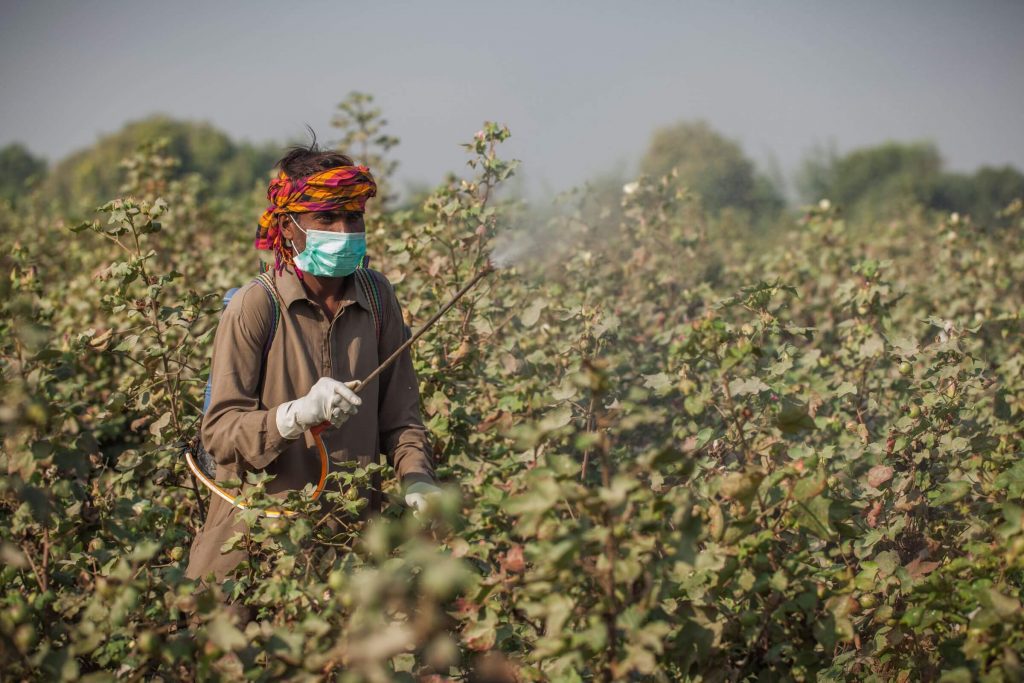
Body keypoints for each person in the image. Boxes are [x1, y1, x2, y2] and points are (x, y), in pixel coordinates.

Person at [186, 143, 441, 580]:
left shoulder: (378, 299)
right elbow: (220, 433)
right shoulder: (255, 305)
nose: (343, 230)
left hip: (349, 550)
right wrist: (295, 415)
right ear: (288, 227)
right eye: (325, 218)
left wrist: (416, 477)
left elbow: (402, 419)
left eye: (353, 217)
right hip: (255, 546)